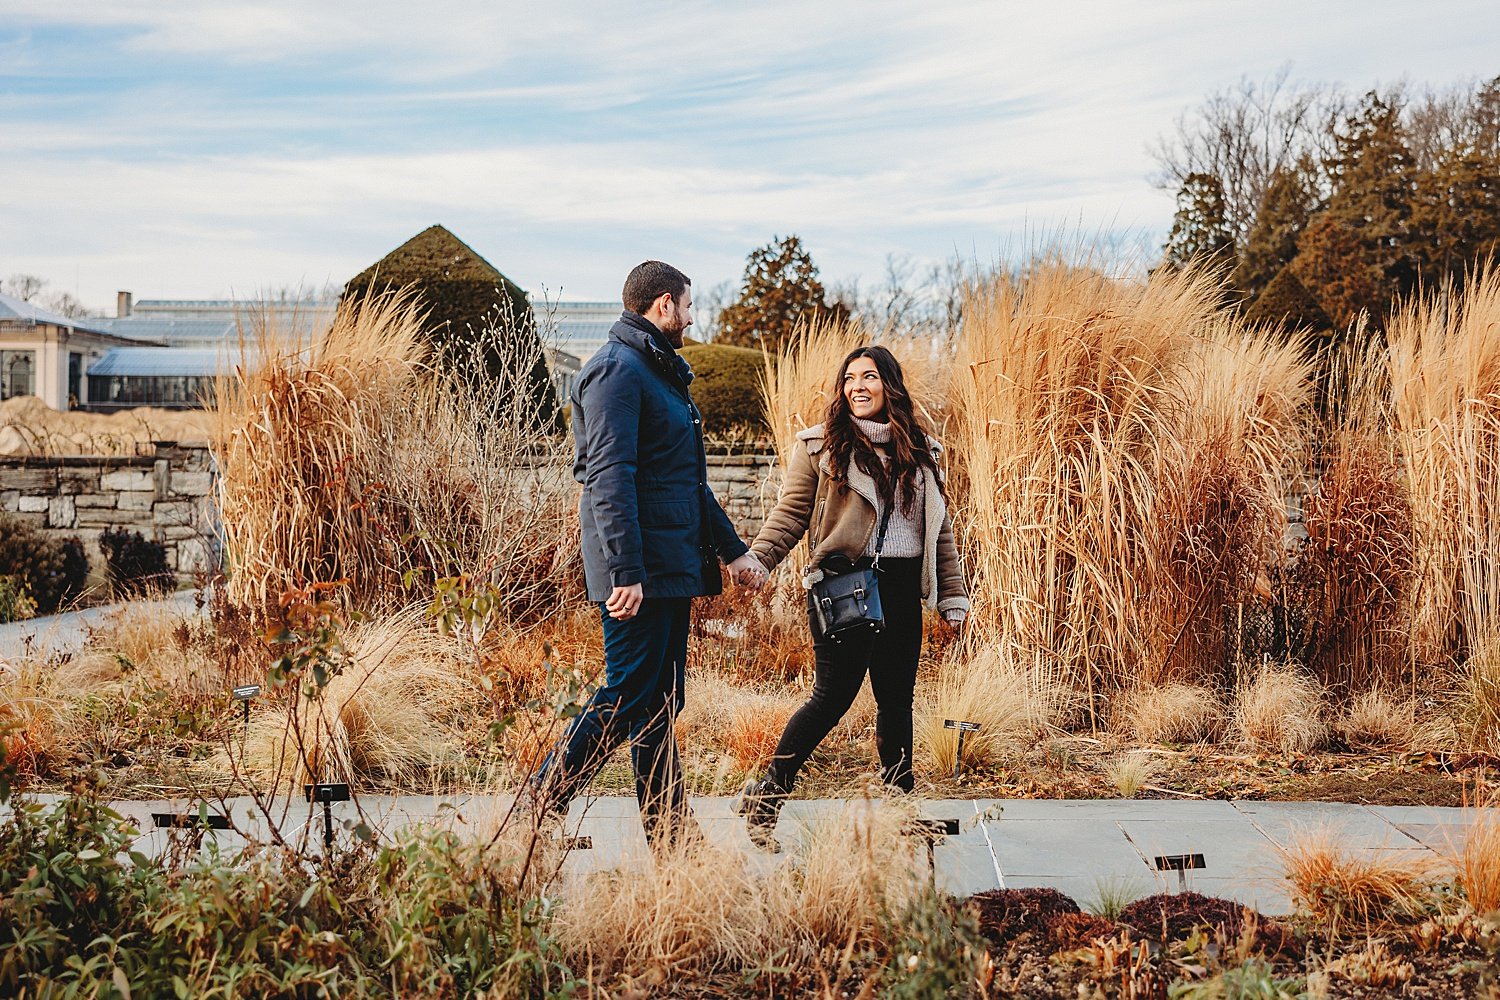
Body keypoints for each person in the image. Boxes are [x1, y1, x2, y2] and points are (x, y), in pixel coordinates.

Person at [530, 260, 766, 853]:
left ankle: (671, 837)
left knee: (661, 700)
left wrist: (734, 552)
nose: (692, 317)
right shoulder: (617, 374)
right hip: (639, 571)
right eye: (688, 306)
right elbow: (608, 478)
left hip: (669, 563)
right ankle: (538, 807)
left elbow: (685, 483)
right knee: (630, 693)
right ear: (663, 305)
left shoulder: (657, 374)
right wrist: (625, 570)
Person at [733, 345, 969, 850]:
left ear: (891, 385)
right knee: (832, 697)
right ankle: (767, 795)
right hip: (845, 585)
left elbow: (940, 532)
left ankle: (901, 812)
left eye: (869, 377)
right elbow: (792, 513)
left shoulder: (923, 453)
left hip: (902, 588)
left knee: (896, 702)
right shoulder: (822, 447)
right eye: (849, 379)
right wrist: (760, 558)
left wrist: (952, 593)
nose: (857, 386)